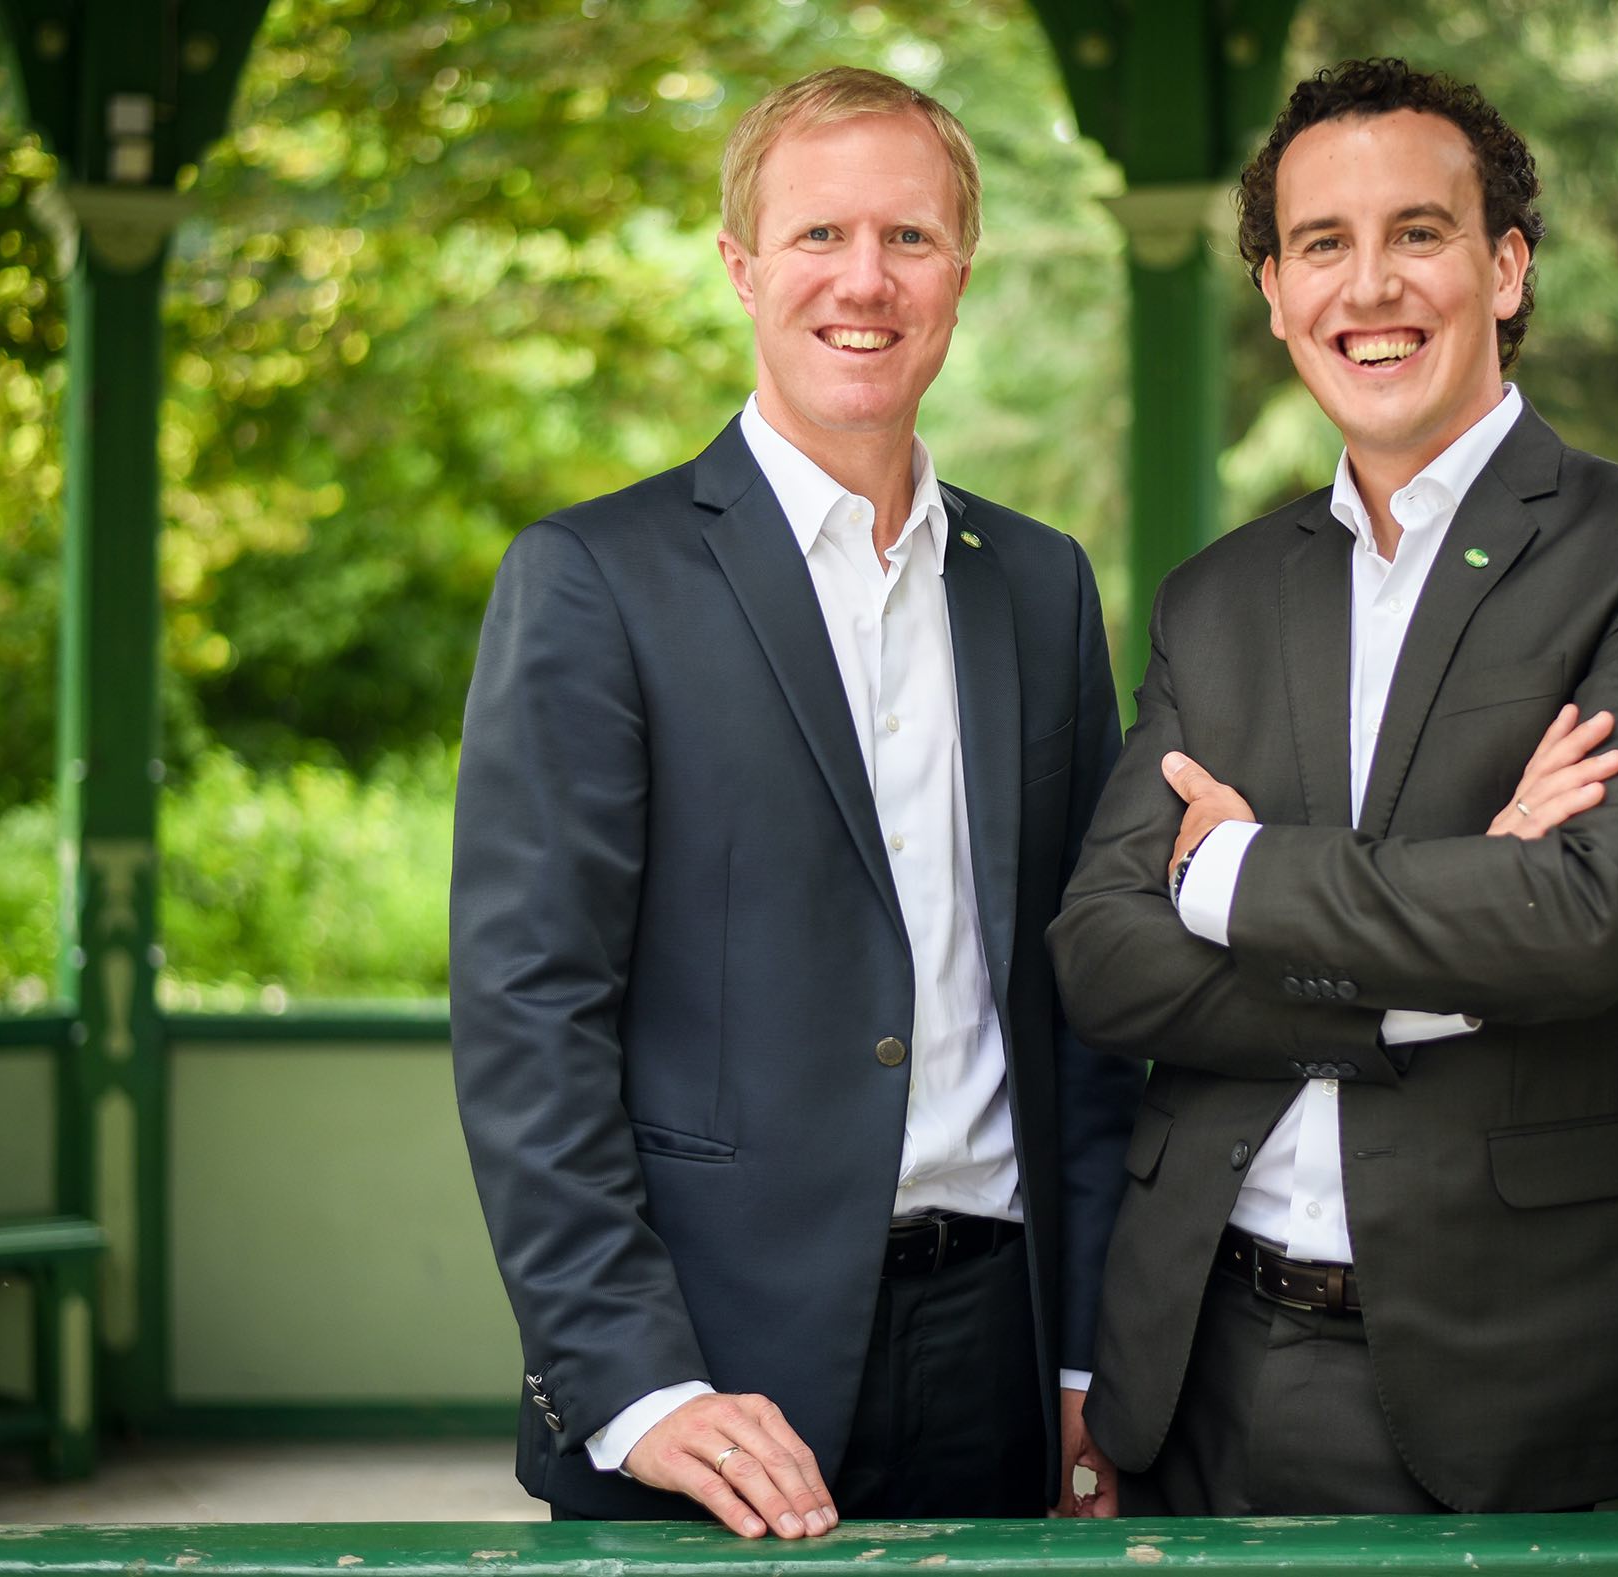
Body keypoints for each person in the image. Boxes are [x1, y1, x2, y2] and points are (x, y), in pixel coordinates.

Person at [451, 66, 1139, 1537]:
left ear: (960, 273)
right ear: (742, 266)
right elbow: (528, 1016)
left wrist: (1091, 1352)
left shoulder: (1039, 586)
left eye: (908, 237)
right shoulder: (593, 580)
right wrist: (638, 1385)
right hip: (708, 1370)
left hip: (1002, 1358)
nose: (864, 280)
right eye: (819, 234)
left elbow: (1086, 1005)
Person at [1048, 57, 1618, 1516]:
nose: (1369, 287)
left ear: (1505, 267)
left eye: (1417, 232)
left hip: (1509, 1367)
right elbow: (1101, 955)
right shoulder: (1218, 596)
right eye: (1321, 246)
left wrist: (1231, 876)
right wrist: (1429, 973)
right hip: (1196, 1358)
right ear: (1276, 294)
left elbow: (1579, 919)